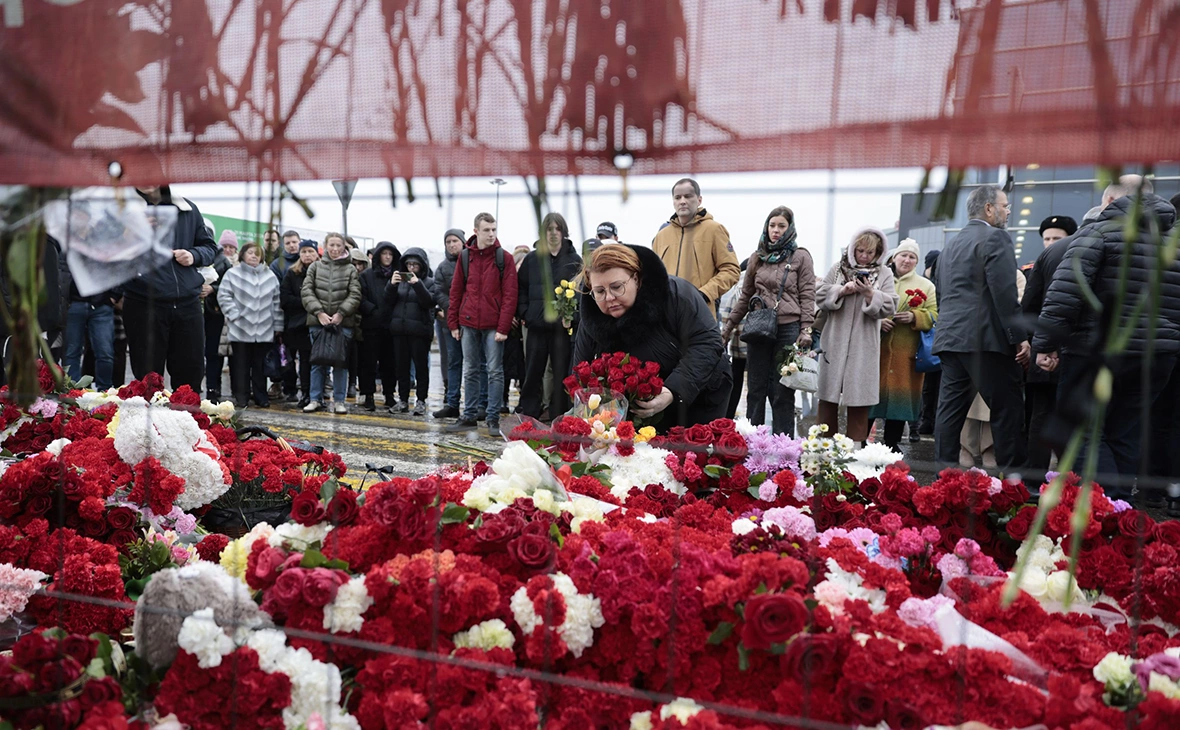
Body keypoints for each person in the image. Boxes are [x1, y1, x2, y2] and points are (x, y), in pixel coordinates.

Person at [1033, 176, 1180, 488]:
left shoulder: (1099, 231)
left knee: (1084, 432)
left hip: (1098, 350)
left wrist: (1045, 344)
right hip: (1158, 356)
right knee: (1127, 432)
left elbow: (1066, 293)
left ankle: (1105, 505)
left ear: (1111, 201)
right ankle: (1121, 508)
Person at [573, 244, 731, 429]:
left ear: (636, 279)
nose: (609, 298)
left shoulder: (678, 295)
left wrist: (673, 391)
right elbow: (580, 370)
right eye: (600, 291)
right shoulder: (592, 317)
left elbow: (706, 343)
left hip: (700, 392)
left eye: (617, 287)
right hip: (643, 406)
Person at [932, 185, 1030, 468]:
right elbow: (1005, 293)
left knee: (949, 414)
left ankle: (944, 480)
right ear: (988, 208)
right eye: (1005, 205)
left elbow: (942, 295)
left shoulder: (949, 246)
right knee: (1007, 412)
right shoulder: (996, 237)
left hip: (951, 339)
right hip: (986, 341)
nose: (1008, 211)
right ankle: (1014, 484)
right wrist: (1019, 337)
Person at [721, 206, 816, 436]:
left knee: (782, 390)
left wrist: (806, 329)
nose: (776, 230)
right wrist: (728, 327)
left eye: (781, 226)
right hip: (759, 326)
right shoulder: (757, 258)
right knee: (755, 387)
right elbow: (745, 296)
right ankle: (755, 442)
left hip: (788, 328)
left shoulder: (800, 256)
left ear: (790, 228)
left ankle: (784, 446)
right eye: (772, 225)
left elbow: (807, 294)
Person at [126, 186, 219, 392]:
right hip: (144, 303)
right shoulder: (124, 210)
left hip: (188, 303)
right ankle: (148, 424)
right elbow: (105, 253)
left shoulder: (187, 208)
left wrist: (193, 255)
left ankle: (187, 422)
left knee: (191, 376)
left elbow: (210, 248)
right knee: (147, 380)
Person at [815, 229, 898, 445]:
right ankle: (824, 446)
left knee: (859, 398)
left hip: (864, 344)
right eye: (860, 250)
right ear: (852, 249)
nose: (864, 256)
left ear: (878, 252)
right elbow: (820, 295)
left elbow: (891, 304)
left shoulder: (885, 273)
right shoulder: (838, 269)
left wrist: (871, 294)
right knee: (827, 397)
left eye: (870, 252)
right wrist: (842, 290)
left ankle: (855, 449)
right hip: (834, 341)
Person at [445, 213, 519, 434]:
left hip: (493, 325)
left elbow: (510, 295)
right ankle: (468, 416)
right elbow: (456, 290)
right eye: (487, 230)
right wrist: (453, 324)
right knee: (470, 370)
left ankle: (492, 419)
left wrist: (503, 327)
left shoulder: (504, 258)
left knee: (495, 371)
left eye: (494, 229)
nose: (491, 234)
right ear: (476, 231)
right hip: (468, 322)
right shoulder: (466, 257)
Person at [1020, 215, 1079, 470]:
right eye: (1047, 238)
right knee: (1041, 415)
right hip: (1045, 351)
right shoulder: (1034, 268)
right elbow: (1029, 309)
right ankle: (1037, 479)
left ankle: (1064, 479)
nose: (1051, 243)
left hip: (1065, 350)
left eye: (1057, 238)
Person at [867, 240, 937, 449]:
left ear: (917, 261)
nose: (907, 260)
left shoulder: (926, 285)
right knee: (869, 398)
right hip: (875, 351)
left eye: (912, 257)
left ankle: (891, 446)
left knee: (900, 399)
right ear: (894, 257)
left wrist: (915, 317)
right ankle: (860, 442)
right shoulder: (877, 280)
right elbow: (861, 308)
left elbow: (935, 315)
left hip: (905, 353)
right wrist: (878, 321)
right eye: (903, 255)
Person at [517, 213, 583, 420]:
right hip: (536, 325)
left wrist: (572, 316)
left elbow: (582, 291)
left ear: (563, 232)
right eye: (549, 229)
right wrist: (525, 312)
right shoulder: (532, 259)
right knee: (533, 372)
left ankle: (559, 414)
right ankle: (529, 411)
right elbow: (521, 289)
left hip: (561, 329)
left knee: (562, 373)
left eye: (557, 229)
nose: (553, 233)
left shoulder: (574, 260)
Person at [651, 178, 741, 310]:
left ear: (699, 200)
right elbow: (653, 275)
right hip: (666, 315)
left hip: (699, 314)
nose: (682, 201)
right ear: (673, 202)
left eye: (688, 196)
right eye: (677, 197)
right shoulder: (661, 236)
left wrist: (704, 294)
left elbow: (731, 270)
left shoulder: (714, 230)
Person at [217, 241, 283, 408]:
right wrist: (234, 315)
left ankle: (261, 397)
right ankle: (242, 397)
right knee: (241, 365)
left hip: (264, 329)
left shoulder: (270, 276)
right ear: (243, 255)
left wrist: (278, 326)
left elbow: (277, 302)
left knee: (260, 366)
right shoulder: (232, 274)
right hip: (240, 328)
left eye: (257, 253)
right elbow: (224, 296)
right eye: (250, 252)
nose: (254, 256)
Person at [301, 233, 362, 414]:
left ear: (344, 247)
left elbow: (355, 294)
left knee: (340, 363)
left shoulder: (350, 269)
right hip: (317, 322)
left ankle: (339, 401)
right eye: (332, 245)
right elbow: (306, 291)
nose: (335, 249)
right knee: (317, 362)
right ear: (326, 246)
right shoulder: (315, 267)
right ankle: (315, 399)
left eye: (338, 245)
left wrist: (341, 313)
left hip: (342, 324)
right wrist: (319, 312)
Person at [433, 229, 488, 419]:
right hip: (450, 320)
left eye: (454, 240)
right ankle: (452, 403)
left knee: (478, 363)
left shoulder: (471, 262)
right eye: (447, 241)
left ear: (462, 242)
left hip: (473, 321)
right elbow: (438, 290)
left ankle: (481, 404)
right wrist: (454, 307)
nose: (451, 245)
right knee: (453, 362)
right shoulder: (442, 267)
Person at [387, 248, 445, 415]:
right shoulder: (399, 281)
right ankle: (403, 400)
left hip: (420, 331)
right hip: (400, 330)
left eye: (415, 265)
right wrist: (391, 285)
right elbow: (388, 300)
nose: (411, 268)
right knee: (402, 368)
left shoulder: (429, 282)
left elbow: (429, 302)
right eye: (409, 264)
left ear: (422, 266)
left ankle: (421, 400)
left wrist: (417, 284)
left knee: (421, 368)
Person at [357, 241, 401, 411]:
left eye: (390, 254)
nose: (387, 257)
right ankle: (368, 395)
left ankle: (389, 395)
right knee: (367, 362)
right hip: (370, 325)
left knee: (389, 363)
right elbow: (360, 297)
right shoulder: (366, 275)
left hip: (390, 326)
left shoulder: (397, 276)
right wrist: (373, 311)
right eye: (384, 254)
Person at [64, 279, 120, 391]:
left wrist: (115, 295)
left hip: (101, 302)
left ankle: (105, 391)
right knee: (72, 351)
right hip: (75, 301)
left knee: (105, 352)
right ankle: (73, 391)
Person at [281, 240, 318, 407]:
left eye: (310, 251)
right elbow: (285, 299)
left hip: (312, 322)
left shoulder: (321, 272)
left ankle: (308, 393)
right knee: (289, 361)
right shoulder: (292, 273)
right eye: (304, 252)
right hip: (293, 324)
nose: (307, 255)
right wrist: (306, 302)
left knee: (307, 361)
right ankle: (290, 390)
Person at [717, 262, 748, 420]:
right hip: (759, 343)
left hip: (738, 344)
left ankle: (728, 417)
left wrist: (725, 337)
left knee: (735, 383)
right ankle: (752, 422)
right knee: (758, 387)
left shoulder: (738, 287)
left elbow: (728, 314)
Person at [917, 249, 942, 435]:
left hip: (939, 339)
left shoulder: (942, 282)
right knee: (925, 384)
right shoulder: (922, 285)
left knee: (936, 383)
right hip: (924, 340)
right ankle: (924, 419)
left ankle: (930, 420)